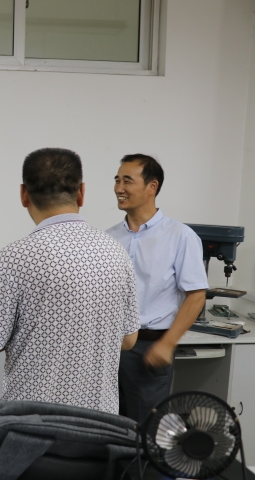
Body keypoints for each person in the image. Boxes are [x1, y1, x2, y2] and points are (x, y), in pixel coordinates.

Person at [0, 148, 140, 415]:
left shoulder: (15, 257)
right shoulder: (116, 252)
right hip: (99, 420)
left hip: (34, 421)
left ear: (23, 195)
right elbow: (129, 340)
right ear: (81, 192)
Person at [107, 154, 208, 422]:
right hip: (109, 347)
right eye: (117, 180)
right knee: (108, 425)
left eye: (127, 181)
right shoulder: (108, 238)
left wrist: (168, 343)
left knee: (146, 429)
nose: (119, 188)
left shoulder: (180, 236)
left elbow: (196, 296)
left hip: (149, 349)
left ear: (152, 186)